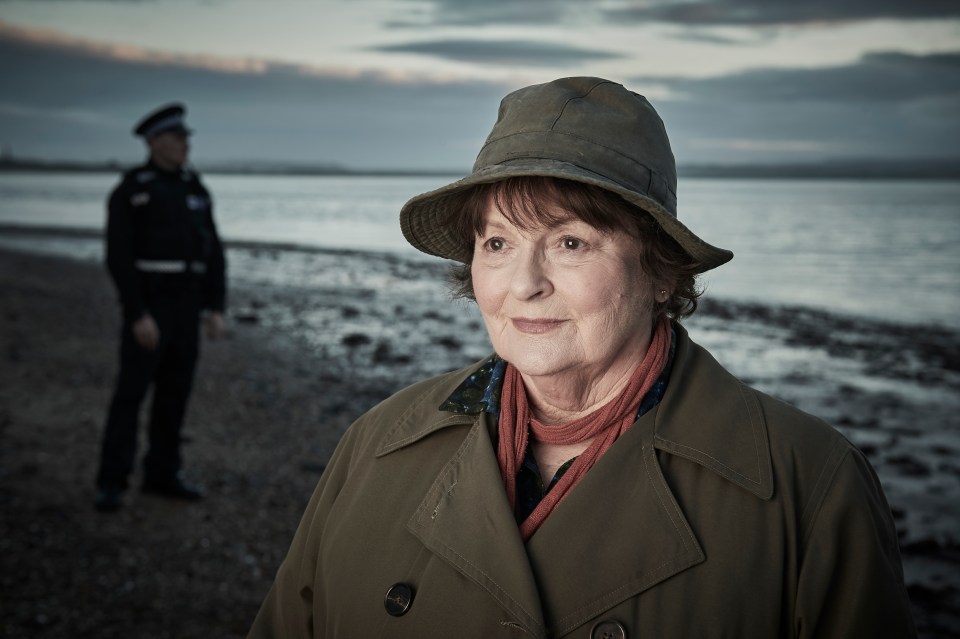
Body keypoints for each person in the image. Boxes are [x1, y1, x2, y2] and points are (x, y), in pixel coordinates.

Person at [247, 78, 915, 637]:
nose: (524, 284)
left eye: (570, 242)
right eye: (499, 244)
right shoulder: (377, 446)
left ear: (660, 271)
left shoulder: (808, 486)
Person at [94, 103, 227, 512]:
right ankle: (111, 482)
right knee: (130, 395)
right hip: (151, 308)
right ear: (154, 142)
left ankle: (162, 474)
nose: (185, 144)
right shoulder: (133, 190)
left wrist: (215, 306)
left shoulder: (195, 188)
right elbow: (118, 257)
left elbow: (213, 250)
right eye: (177, 138)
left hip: (187, 308)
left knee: (175, 395)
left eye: (186, 138)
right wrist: (136, 313)